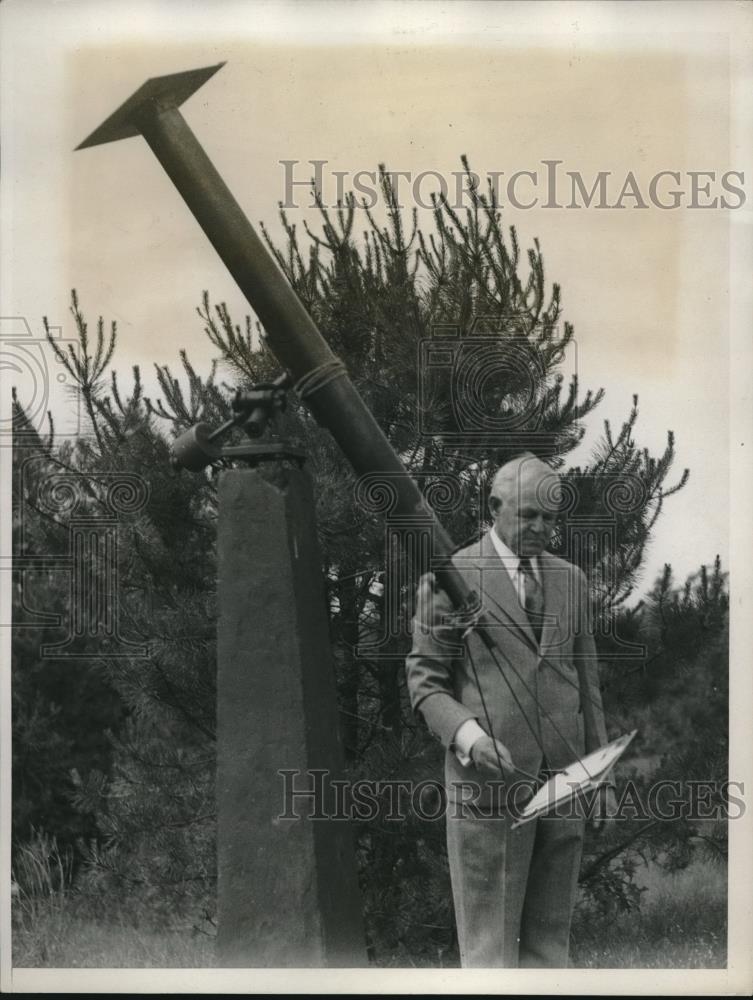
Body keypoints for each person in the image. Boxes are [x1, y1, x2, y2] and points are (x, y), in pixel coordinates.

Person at [405, 452, 616, 967]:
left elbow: (588, 689)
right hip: (487, 792)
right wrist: (471, 740)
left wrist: (603, 778)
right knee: (490, 954)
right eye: (528, 515)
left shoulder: (570, 581)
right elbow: (425, 684)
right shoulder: (451, 577)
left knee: (550, 946)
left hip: (565, 788)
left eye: (550, 517)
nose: (541, 528)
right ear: (495, 507)